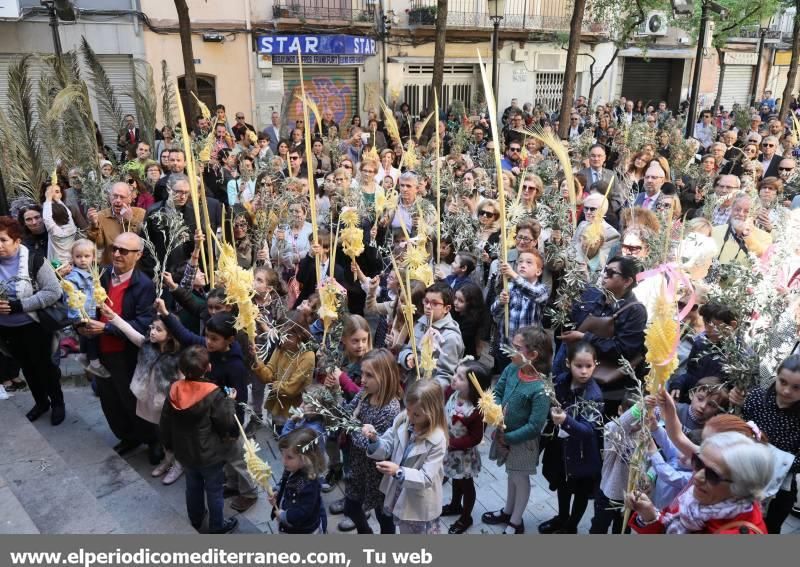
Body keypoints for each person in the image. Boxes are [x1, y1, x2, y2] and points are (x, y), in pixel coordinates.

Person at [78, 232, 158, 455]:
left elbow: (143, 323)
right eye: (115, 248)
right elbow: (87, 306)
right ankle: (127, 437)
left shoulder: (143, 285)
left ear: (138, 255)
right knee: (110, 400)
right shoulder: (101, 276)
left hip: (127, 354)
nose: (117, 254)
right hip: (100, 350)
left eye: (124, 251)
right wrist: (82, 326)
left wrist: (107, 328)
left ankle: (152, 441)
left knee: (135, 401)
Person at [627, 431, 774, 534]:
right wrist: (650, 515)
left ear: (741, 488)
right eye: (697, 463)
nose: (697, 477)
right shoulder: (692, 500)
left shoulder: (737, 532)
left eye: (713, 475)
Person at [160, 345, 239, 534]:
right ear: (208, 368)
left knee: (192, 486)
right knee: (214, 491)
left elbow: (165, 421)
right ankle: (217, 526)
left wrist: (168, 444)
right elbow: (226, 422)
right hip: (209, 455)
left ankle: (195, 519)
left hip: (185, 452)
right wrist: (230, 402)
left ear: (182, 369)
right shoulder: (214, 393)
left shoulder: (175, 389)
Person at [101, 301, 182, 483]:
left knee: (172, 435)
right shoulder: (147, 345)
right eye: (152, 327)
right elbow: (129, 331)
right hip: (149, 399)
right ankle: (168, 460)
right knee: (161, 433)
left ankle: (178, 464)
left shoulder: (177, 358)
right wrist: (112, 316)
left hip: (168, 404)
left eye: (158, 330)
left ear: (170, 335)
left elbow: (183, 382)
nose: (152, 332)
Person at [482, 326, 551, 534]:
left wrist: (508, 438)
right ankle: (508, 510)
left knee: (520, 478)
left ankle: (516, 520)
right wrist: (497, 412)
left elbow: (534, 425)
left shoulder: (540, 388)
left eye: (516, 347)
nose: (510, 351)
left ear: (533, 355)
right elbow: (500, 390)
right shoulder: (512, 368)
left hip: (522, 441)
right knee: (511, 475)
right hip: (506, 434)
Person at [557, 256, 647, 415]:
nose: (605, 275)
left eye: (612, 273)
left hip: (606, 390)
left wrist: (584, 338)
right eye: (605, 270)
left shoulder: (635, 311)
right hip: (573, 378)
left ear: (627, 281)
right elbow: (569, 327)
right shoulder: (592, 296)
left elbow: (624, 351)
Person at [0, 217, 65, 425]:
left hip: (33, 325)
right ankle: (41, 402)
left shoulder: (34, 260)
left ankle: (57, 403)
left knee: (45, 367)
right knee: (27, 367)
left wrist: (20, 305)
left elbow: (53, 292)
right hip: (7, 329)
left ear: (17, 241)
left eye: (3, 240)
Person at [363, 379, 448, 534]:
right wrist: (375, 440)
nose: (410, 416)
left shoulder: (438, 440)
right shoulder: (403, 419)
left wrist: (398, 471)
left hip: (419, 503)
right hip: (400, 492)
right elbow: (387, 444)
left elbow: (426, 478)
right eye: (408, 409)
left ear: (431, 413)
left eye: (416, 414)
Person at [729, 355, 800, 533]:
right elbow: (738, 424)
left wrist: (772, 456)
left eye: (796, 388)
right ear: (776, 376)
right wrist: (733, 402)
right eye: (782, 382)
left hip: (779, 487)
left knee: (767, 529)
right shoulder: (756, 397)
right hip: (743, 472)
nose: (786, 391)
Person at [539, 341, 604, 534]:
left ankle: (571, 526)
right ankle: (562, 517)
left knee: (581, 492)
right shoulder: (560, 381)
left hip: (582, 454)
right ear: (568, 363)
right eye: (579, 366)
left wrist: (565, 420)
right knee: (562, 485)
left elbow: (588, 430)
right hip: (560, 447)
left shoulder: (594, 395)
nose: (584, 371)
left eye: (588, 366)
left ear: (595, 365)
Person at [341, 348, 403, 534]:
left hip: (377, 476)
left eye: (369, 375)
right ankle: (365, 533)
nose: (362, 379)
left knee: (384, 518)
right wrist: (334, 396)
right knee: (351, 507)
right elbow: (347, 413)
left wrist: (352, 426)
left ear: (384, 377)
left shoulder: (390, 408)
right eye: (362, 373)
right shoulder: (364, 394)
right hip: (359, 467)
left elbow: (370, 444)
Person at [441, 359, 489, 534]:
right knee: (455, 479)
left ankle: (466, 516)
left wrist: (451, 443)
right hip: (450, 450)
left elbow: (476, 438)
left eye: (460, 378)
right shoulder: (451, 393)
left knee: (466, 484)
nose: (454, 379)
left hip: (463, 456)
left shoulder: (477, 410)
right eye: (455, 373)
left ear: (473, 386)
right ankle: (455, 505)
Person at [398, 282, 465, 389]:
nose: (428, 306)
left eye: (435, 303)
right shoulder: (420, 324)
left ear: (446, 308)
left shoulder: (450, 337)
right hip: (411, 386)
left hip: (428, 397)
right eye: (426, 301)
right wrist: (407, 357)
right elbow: (406, 349)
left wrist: (425, 393)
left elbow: (446, 376)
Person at [63, 239, 109, 379]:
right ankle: (94, 364)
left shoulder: (94, 273)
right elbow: (70, 297)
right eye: (78, 256)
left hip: (92, 309)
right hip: (83, 312)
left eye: (86, 256)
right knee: (92, 336)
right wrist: (77, 317)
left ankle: (83, 355)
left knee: (86, 336)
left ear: (93, 257)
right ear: (73, 257)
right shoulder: (73, 277)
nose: (82, 260)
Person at [269, 427, 327, 534]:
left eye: (289, 457)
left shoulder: (307, 483)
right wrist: (278, 491)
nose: (283, 461)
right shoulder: (292, 467)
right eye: (283, 455)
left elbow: (303, 511)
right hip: (289, 522)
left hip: (301, 530)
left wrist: (284, 516)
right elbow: (285, 481)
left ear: (305, 458)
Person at [492, 250, 549, 348]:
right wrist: (501, 303)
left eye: (529, 262)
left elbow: (535, 294)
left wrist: (514, 275)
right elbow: (494, 312)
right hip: (507, 345)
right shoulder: (509, 286)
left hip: (528, 346)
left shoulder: (542, 289)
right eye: (520, 262)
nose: (523, 265)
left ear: (538, 271)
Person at [87, 182, 146, 265]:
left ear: (129, 199)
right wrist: (94, 224)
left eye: (122, 197)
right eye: (115, 196)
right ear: (109, 198)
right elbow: (99, 245)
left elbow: (143, 241)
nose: (118, 200)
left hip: (134, 266)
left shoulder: (140, 213)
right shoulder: (101, 216)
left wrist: (130, 220)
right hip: (111, 265)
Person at [452, 282, 489, 358]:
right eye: (455, 298)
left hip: (465, 355)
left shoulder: (472, 321)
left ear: (471, 303)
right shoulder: (456, 312)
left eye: (461, 301)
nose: (455, 303)